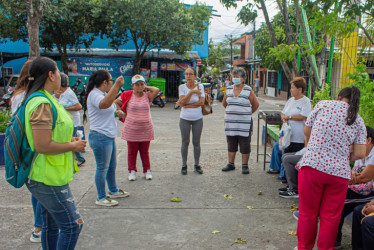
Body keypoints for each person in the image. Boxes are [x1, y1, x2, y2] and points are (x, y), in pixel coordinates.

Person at [24, 57, 87, 249]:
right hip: (46, 177)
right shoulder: (42, 103)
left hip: (51, 173)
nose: (60, 75)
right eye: (58, 72)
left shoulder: (49, 99)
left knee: (51, 227)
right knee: (72, 225)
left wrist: (69, 141)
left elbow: (51, 134)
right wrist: (72, 147)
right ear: (51, 75)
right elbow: (42, 145)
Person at [296, 86, 367, 250]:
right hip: (339, 174)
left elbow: (307, 130)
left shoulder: (323, 105)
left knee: (308, 213)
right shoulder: (358, 119)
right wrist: (340, 156)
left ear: (338, 96)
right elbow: (360, 152)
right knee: (331, 217)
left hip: (312, 167)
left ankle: (304, 247)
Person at [85, 70, 130, 207]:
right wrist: (117, 86)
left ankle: (113, 190)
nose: (112, 83)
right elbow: (103, 105)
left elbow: (106, 109)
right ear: (105, 82)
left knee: (111, 166)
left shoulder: (103, 94)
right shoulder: (94, 94)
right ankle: (101, 196)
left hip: (108, 135)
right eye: (111, 81)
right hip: (100, 136)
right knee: (102, 167)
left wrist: (117, 113)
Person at [10, 60, 43, 243]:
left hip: (27, 149)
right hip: (33, 149)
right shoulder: (30, 97)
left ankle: (39, 226)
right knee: (41, 191)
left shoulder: (20, 95)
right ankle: (39, 228)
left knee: (36, 192)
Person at [335, 126, 374, 248]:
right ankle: (335, 240)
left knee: (340, 196)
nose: (353, 144)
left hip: (369, 192)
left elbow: (362, 178)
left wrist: (352, 178)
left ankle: (314, 215)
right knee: (338, 199)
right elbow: (353, 174)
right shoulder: (362, 154)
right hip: (362, 190)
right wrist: (352, 177)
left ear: (368, 140)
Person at [114, 75, 159, 181]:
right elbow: (116, 102)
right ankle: (132, 171)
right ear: (132, 86)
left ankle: (147, 170)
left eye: (141, 84)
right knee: (132, 151)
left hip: (145, 128)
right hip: (131, 128)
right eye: (137, 85)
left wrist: (145, 88)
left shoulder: (147, 96)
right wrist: (120, 111)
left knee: (144, 151)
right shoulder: (127, 95)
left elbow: (156, 90)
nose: (139, 87)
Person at [267, 77, 312, 175]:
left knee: (291, 157)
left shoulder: (306, 101)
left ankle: (287, 177)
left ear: (299, 90)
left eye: (292, 88)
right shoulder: (290, 100)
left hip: (298, 137)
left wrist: (290, 117)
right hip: (287, 135)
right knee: (281, 150)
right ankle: (279, 171)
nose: (291, 90)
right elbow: (283, 113)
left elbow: (304, 116)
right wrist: (284, 118)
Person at [222, 67, 259, 174]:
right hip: (230, 123)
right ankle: (231, 163)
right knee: (231, 142)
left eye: (237, 77)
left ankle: (244, 165)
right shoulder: (228, 89)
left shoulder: (248, 90)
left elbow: (255, 105)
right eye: (234, 77)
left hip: (244, 123)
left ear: (243, 78)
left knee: (245, 144)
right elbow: (225, 103)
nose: (235, 79)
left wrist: (246, 113)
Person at [176, 67, 205, 175]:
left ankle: (197, 165)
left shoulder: (200, 86)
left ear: (195, 76)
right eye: (186, 74)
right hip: (184, 118)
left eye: (190, 74)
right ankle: (184, 165)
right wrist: (192, 92)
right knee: (185, 142)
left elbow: (201, 102)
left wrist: (185, 105)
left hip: (197, 118)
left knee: (196, 142)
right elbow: (183, 101)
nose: (188, 76)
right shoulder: (182, 87)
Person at [54, 73, 86, 166]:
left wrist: (64, 109)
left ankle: (79, 158)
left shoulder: (69, 93)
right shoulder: (61, 93)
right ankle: (78, 158)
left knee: (70, 140)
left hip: (73, 122)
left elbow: (79, 106)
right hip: (65, 122)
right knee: (70, 140)